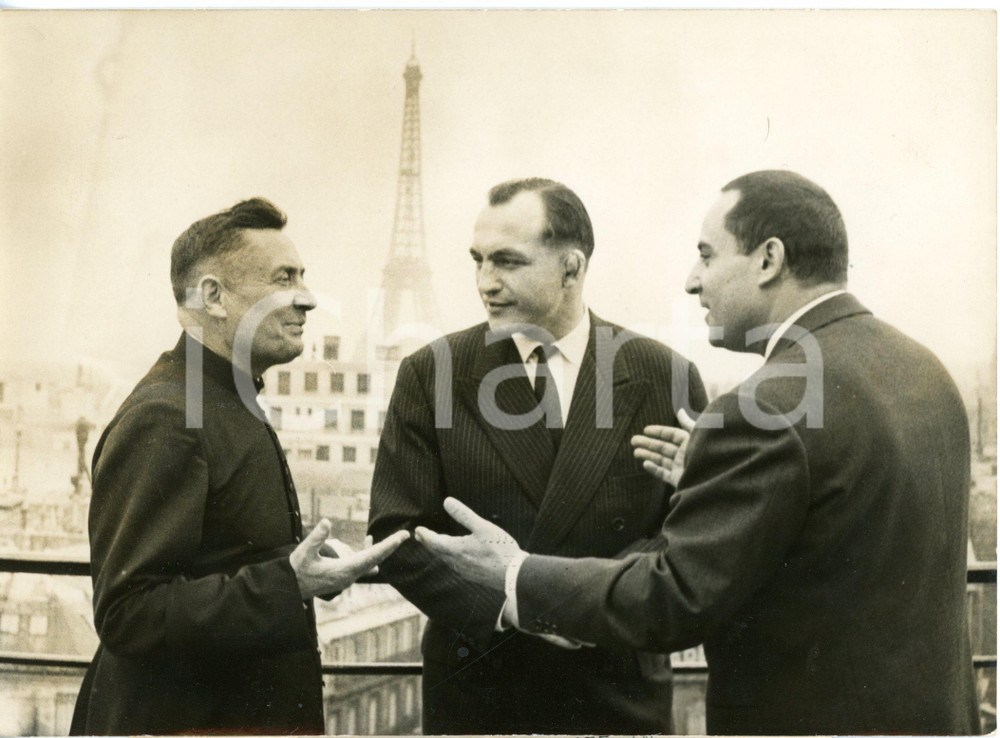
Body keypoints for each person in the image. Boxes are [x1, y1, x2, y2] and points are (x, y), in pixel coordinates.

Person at [416, 170, 980, 735]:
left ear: (769, 260)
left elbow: (673, 598)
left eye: (707, 256)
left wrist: (516, 574)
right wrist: (713, 478)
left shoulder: (766, 407)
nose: (692, 281)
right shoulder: (926, 373)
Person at [367, 177, 707, 734]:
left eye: (507, 262)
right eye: (477, 260)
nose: (485, 283)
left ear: (572, 269)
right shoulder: (432, 373)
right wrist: (517, 607)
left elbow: (686, 531)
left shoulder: (663, 376)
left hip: (615, 695)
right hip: (480, 697)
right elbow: (396, 535)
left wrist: (574, 603)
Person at [71, 198, 409, 736]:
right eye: (284, 278)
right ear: (213, 296)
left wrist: (297, 567)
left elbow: (218, 560)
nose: (308, 298)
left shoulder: (217, 400)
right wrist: (288, 583)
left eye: (304, 277)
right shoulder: (168, 415)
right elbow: (128, 614)